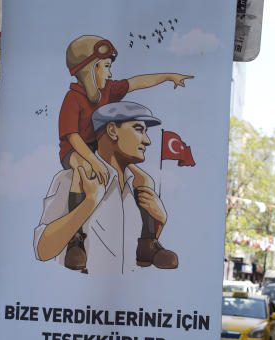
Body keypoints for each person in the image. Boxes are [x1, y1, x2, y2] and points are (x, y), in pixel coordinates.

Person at [57, 35, 192, 271]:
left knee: (144, 179)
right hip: (76, 151)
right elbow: (72, 136)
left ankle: (148, 243)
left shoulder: (108, 90)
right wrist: (92, 161)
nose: (109, 73)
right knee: (82, 171)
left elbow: (137, 82)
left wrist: (167, 77)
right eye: (106, 67)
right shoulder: (73, 98)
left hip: (99, 150)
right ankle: (76, 240)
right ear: (90, 68)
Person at [35, 101, 178, 274]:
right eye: (139, 129)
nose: (147, 141)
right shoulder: (72, 179)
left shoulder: (139, 185)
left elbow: (135, 260)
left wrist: (159, 223)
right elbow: (43, 251)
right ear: (112, 130)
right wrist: (88, 203)